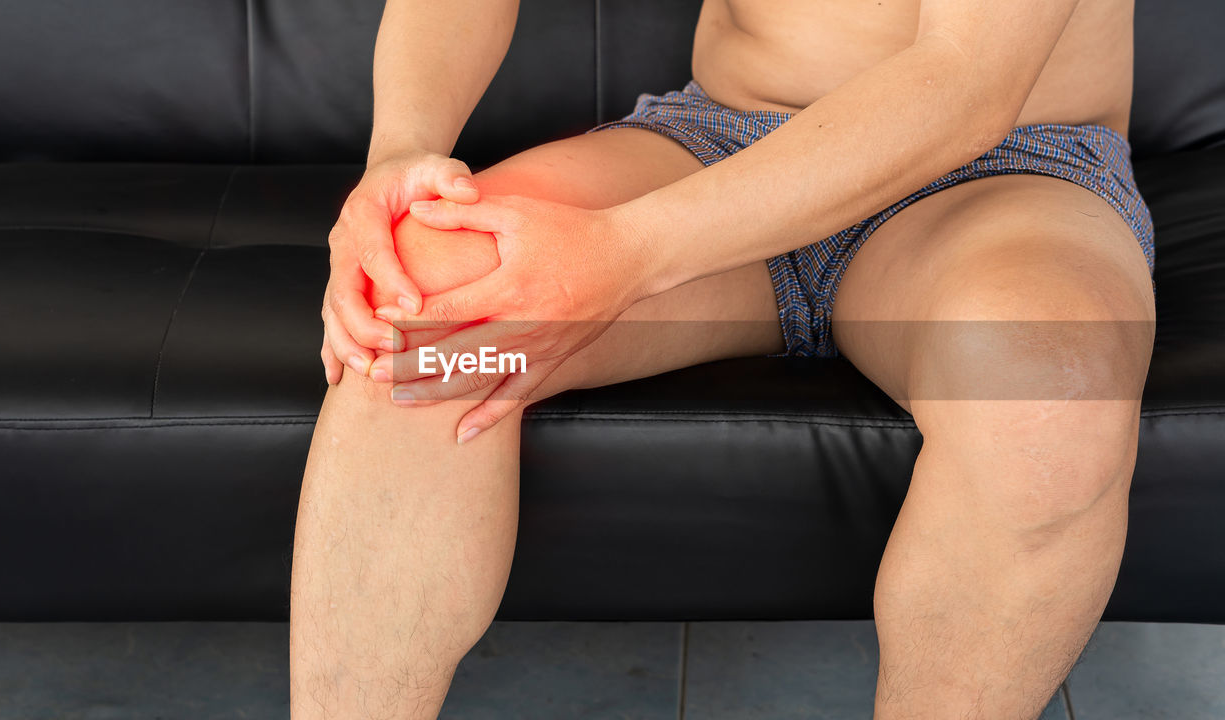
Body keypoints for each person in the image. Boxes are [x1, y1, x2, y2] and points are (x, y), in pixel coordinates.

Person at [290, 0, 1157, 717]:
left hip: (1000, 173)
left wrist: (626, 253)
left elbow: (967, 83)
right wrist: (400, 154)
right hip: (724, 139)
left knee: (1046, 397)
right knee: (417, 319)